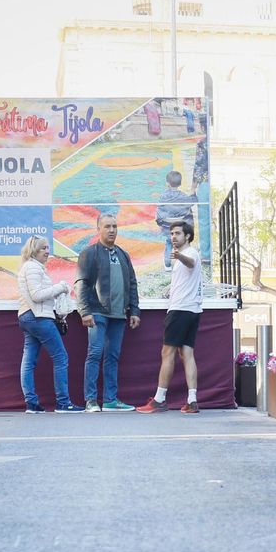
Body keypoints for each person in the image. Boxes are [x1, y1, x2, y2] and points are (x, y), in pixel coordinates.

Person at [76, 213, 140, 411]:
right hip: (97, 314)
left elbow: (132, 283)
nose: (112, 230)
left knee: (113, 356)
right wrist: (85, 311)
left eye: (114, 226)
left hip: (119, 316)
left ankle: (111, 400)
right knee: (94, 354)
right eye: (107, 227)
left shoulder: (123, 254)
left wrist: (135, 310)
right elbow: (81, 283)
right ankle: (91, 400)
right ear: (98, 229)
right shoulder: (89, 253)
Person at [138, 222, 204, 414]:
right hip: (191, 310)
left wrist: (179, 256)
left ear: (188, 236)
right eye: (172, 234)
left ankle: (159, 399)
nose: (174, 237)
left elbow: (190, 262)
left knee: (167, 353)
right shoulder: (187, 256)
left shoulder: (189, 254)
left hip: (180, 311)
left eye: (178, 233)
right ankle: (192, 400)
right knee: (187, 354)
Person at [16, 236, 83, 414]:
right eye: (43, 248)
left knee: (29, 361)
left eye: (48, 247)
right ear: (33, 251)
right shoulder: (32, 267)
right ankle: (63, 402)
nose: (47, 251)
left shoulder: (29, 266)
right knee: (60, 357)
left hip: (28, 317)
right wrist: (60, 287)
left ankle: (31, 403)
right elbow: (37, 295)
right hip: (38, 317)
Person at [155, 171, 196, 269]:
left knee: (169, 242)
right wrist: (193, 193)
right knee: (182, 243)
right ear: (180, 184)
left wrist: (159, 223)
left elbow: (159, 212)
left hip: (167, 226)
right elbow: (191, 203)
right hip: (180, 225)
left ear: (167, 184)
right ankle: (182, 261)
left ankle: (168, 264)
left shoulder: (163, 197)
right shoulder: (183, 196)